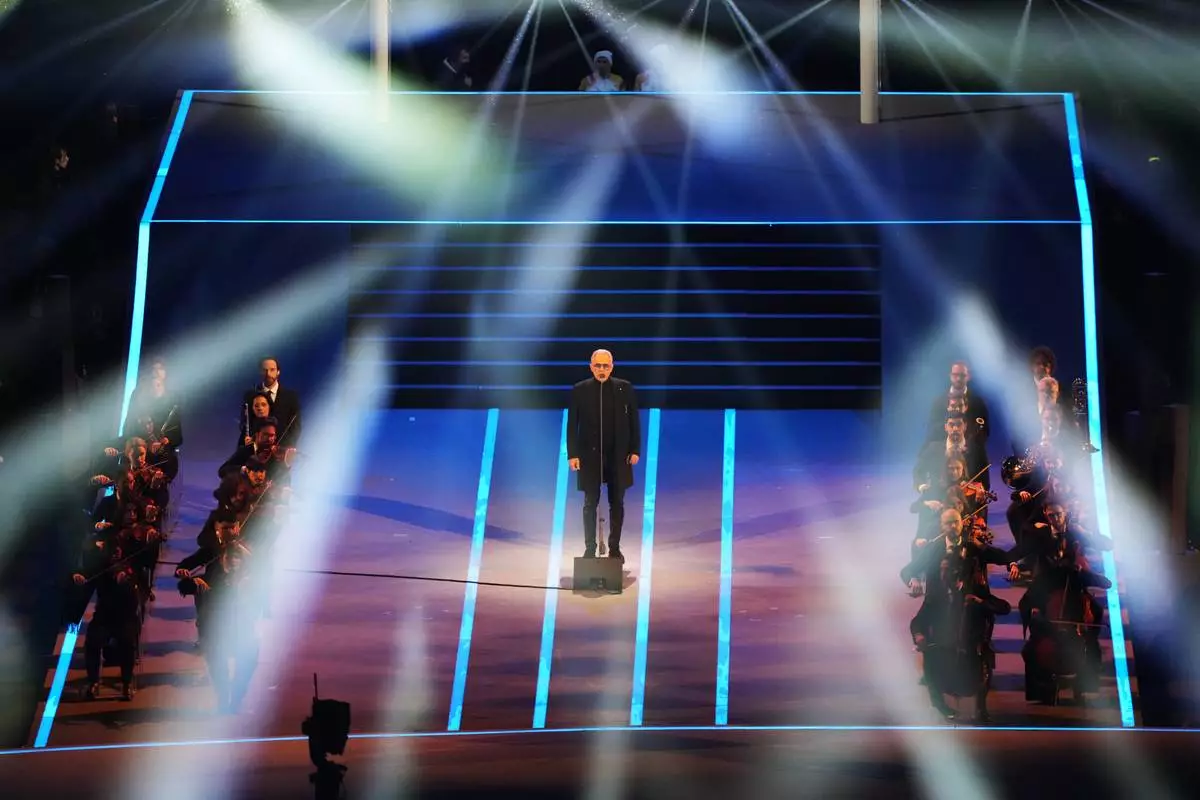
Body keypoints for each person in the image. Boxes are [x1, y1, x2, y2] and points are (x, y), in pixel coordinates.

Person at [567, 349, 641, 562]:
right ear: (591, 367)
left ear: (612, 366)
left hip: (618, 456)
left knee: (617, 502)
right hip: (589, 457)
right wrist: (573, 454)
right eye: (597, 366)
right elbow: (573, 425)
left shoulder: (624, 388)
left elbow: (634, 422)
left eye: (605, 366)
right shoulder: (580, 390)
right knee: (590, 502)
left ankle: (614, 547)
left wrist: (635, 449)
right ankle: (590, 547)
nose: (601, 370)